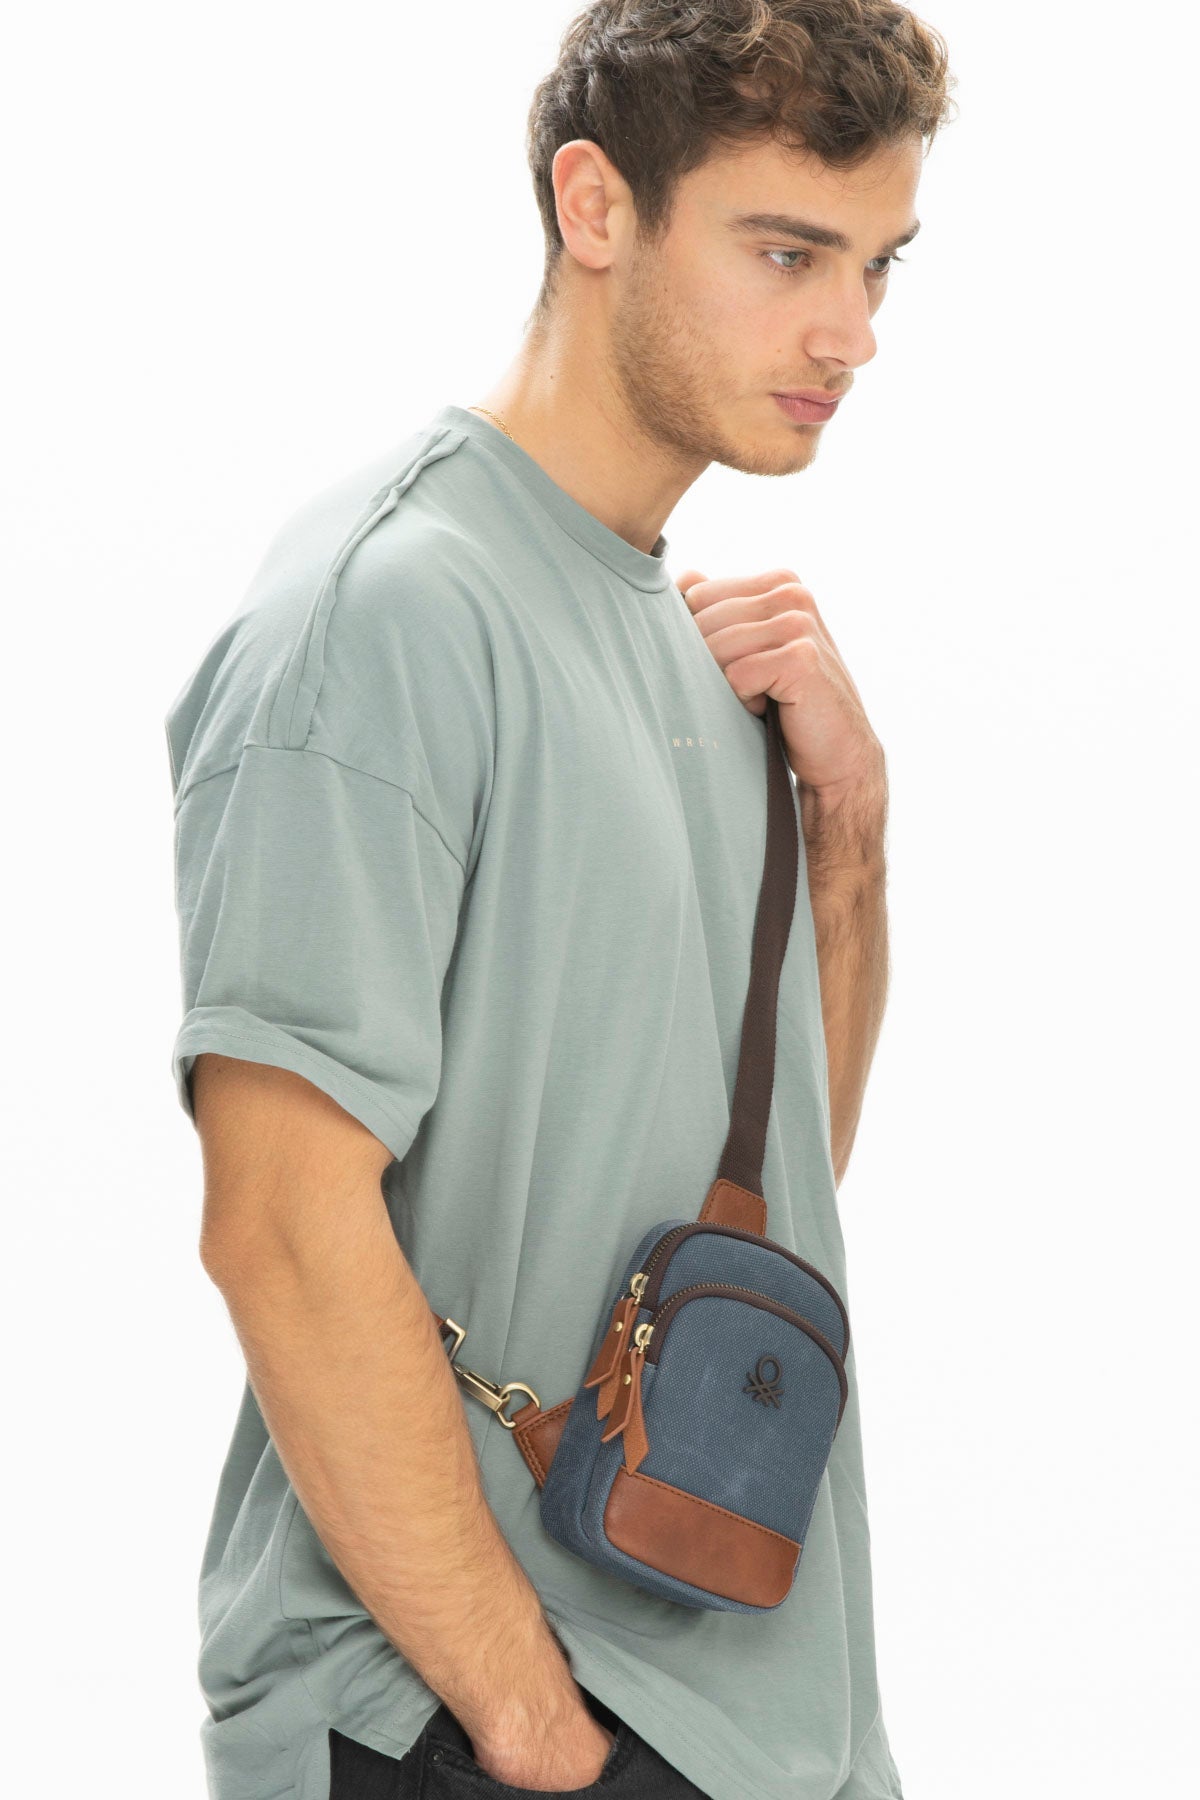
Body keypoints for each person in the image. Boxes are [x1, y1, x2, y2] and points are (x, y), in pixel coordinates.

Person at [165, 3, 955, 1796]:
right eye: (788, 252)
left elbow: (767, 1187)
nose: (852, 332)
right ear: (594, 206)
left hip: (754, 1706)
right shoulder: (389, 615)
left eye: (881, 265)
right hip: (469, 1707)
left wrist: (849, 843)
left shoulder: (699, 649)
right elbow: (280, 1222)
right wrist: (534, 1728)